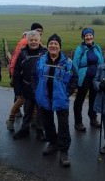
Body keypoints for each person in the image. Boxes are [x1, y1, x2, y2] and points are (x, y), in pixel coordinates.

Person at [35, 34, 78, 167]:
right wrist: (36, 91)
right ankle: (53, 143)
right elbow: (34, 76)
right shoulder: (41, 60)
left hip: (60, 99)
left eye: (56, 44)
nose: (53, 46)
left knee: (63, 126)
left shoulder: (68, 63)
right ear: (47, 46)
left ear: (60, 47)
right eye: (50, 44)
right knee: (47, 123)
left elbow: (74, 79)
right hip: (44, 98)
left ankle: (64, 151)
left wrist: (67, 93)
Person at [6, 23, 44, 131]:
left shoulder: (41, 47)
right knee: (21, 100)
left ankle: (33, 121)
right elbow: (16, 60)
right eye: (37, 30)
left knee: (33, 102)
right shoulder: (24, 43)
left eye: (41, 31)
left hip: (35, 83)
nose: (39, 32)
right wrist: (13, 75)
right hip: (23, 80)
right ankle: (11, 119)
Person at [12, 30, 47, 140]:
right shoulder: (22, 53)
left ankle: (40, 131)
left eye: (35, 40)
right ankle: (24, 130)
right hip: (26, 87)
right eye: (31, 40)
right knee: (28, 110)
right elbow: (17, 72)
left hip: (41, 88)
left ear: (39, 40)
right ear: (27, 41)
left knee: (40, 111)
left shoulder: (45, 52)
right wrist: (17, 90)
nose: (33, 42)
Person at [72, 27, 104, 131]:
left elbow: (101, 62)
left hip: (95, 78)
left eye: (90, 35)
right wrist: (75, 79)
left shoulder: (97, 47)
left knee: (94, 100)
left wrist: (102, 75)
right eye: (86, 35)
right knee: (79, 100)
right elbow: (75, 64)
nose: (89, 37)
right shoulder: (80, 49)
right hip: (83, 78)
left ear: (93, 36)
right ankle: (78, 122)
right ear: (83, 37)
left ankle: (93, 118)